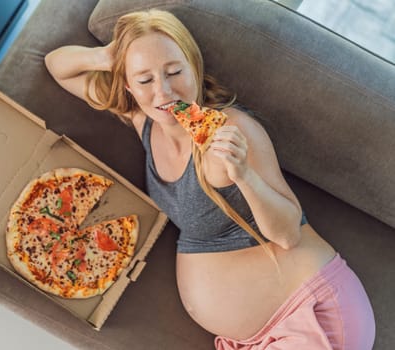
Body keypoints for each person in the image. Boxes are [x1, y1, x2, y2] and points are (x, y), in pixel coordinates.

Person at [44, 9, 375, 350]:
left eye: (174, 72)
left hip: (310, 316)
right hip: (255, 337)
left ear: (194, 68)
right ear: (129, 85)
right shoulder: (143, 121)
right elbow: (57, 67)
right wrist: (106, 56)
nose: (164, 92)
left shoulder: (231, 130)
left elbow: (289, 233)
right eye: (145, 80)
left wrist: (244, 174)